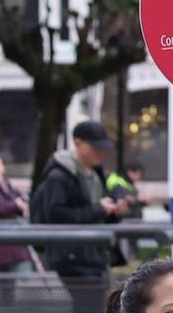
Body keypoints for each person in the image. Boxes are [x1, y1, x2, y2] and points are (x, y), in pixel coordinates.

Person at [30, 120, 122, 295]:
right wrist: (99, 209)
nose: (99, 153)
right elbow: (55, 214)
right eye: (94, 147)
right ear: (78, 143)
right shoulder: (59, 176)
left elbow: (96, 211)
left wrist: (113, 211)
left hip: (92, 253)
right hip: (71, 256)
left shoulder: (95, 174)